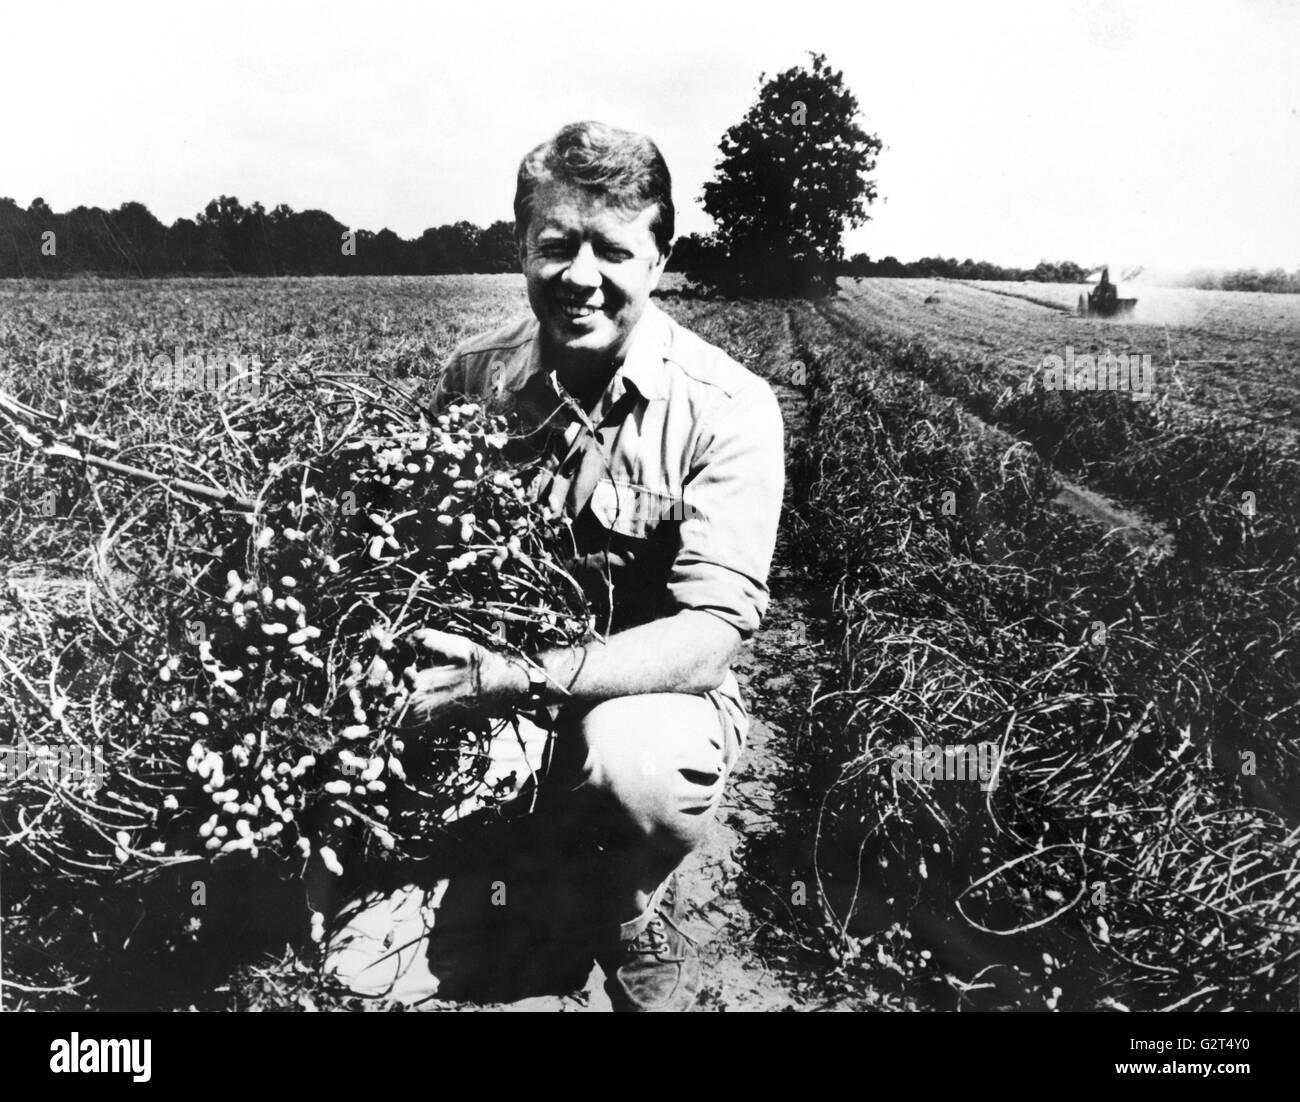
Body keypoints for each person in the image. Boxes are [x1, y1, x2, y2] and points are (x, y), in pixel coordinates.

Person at [345, 121, 784, 1012]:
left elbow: (708, 637)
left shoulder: (729, 408)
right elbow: (419, 559)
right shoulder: (476, 378)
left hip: (655, 697)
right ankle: (522, 867)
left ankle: (625, 906)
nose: (581, 277)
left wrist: (515, 679)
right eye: (555, 247)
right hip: (496, 681)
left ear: (660, 256)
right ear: (521, 250)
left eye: (614, 250)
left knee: (634, 767)